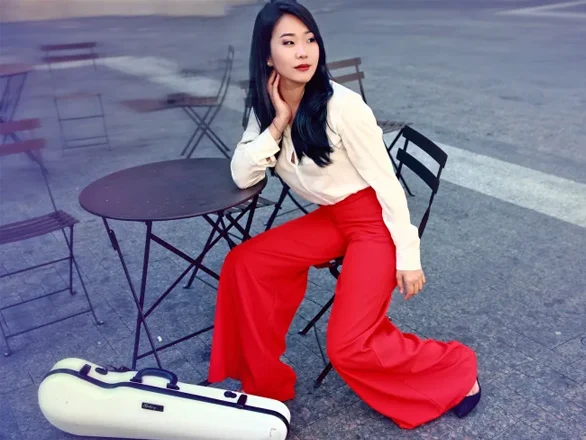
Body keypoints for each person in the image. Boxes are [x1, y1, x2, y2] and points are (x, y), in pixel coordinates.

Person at [207, 0, 480, 430]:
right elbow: (242, 175)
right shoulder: (266, 104)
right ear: (267, 54)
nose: (303, 52)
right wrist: (277, 122)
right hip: (334, 218)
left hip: (373, 222)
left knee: (347, 345)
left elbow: (388, 184)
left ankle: (456, 371)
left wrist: (408, 254)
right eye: (289, 42)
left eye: (310, 39)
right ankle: (265, 384)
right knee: (245, 263)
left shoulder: (342, 106)